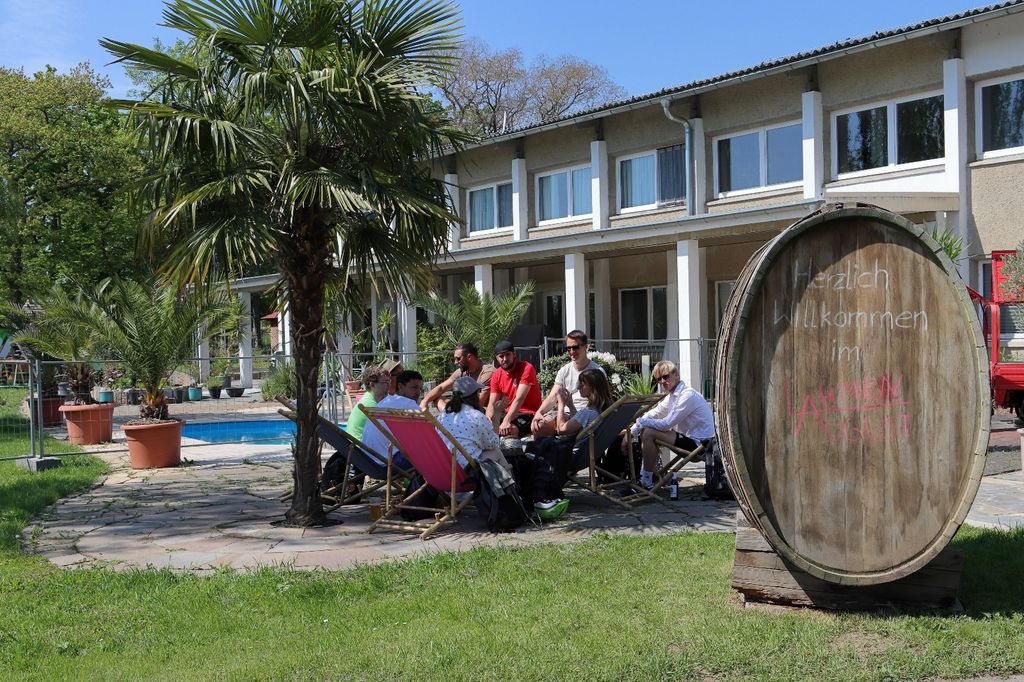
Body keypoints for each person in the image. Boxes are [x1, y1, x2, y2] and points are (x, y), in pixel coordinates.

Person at [623, 360, 723, 496]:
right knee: (647, 431)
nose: (663, 381)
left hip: (701, 446)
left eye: (665, 376)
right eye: (659, 379)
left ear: (676, 374)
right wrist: (632, 431)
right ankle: (649, 478)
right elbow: (654, 413)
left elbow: (666, 424)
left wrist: (638, 425)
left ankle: (646, 481)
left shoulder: (687, 395)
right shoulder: (672, 396)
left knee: (649, 433)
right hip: (690, 441)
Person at [530, 330, 603, 438]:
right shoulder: (565, 370)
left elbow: (600, 399)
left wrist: (562, 406)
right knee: (538, 425)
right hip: (565, 411)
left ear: (586, 347)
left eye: (575, 347)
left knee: (548, 428)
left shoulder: (596, 371)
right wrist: (539, 413)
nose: (572, 351)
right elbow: (552, 397)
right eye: (568, 348)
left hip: (583, 415)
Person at [360, 369, 424, 470]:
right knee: (430, 452)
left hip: (368, 461)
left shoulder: (384, 402)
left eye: (420, 389)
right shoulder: (408, 404)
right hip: (388, 463)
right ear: (401, 386)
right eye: (414, 387)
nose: (418, 392)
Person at [436, 376, 501, 468]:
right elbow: (493, 444)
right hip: (467, 470)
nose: (479, 395)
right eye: (478, 392)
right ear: (474, 395)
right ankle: (509, 481)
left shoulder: (443, 415)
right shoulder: (476, 416)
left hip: (445, 467)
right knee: (496, 451)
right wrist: (497, 415)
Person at [486, 340, 542, 438]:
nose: (505, 359)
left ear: (514, 354)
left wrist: (506, 421)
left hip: (527, 413)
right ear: (496, 358)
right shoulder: (496, 374)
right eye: (501, 356)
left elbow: (519, 399)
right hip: (507, 413)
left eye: (508, 355)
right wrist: (488, 421)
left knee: (508, 430)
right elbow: (492, 403)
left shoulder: (526, 368)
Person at [419, 341, 493, 411]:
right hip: (464, 411)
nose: (455, 362)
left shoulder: (487, 371)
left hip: (481, 412)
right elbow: (441, 388)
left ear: (469, 357)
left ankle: (450, 417)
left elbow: (478, 403)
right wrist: (424, 401)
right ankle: (451, 417)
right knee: (436, 397)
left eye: (458, 359)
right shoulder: (462, 371)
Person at [343, 366, 390, 441]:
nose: (388, 385)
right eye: (384, 382)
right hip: (361, 448)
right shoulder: (371, 405)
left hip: (357, 445)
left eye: (388, 381)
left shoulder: (370, 398)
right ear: (372, 385)